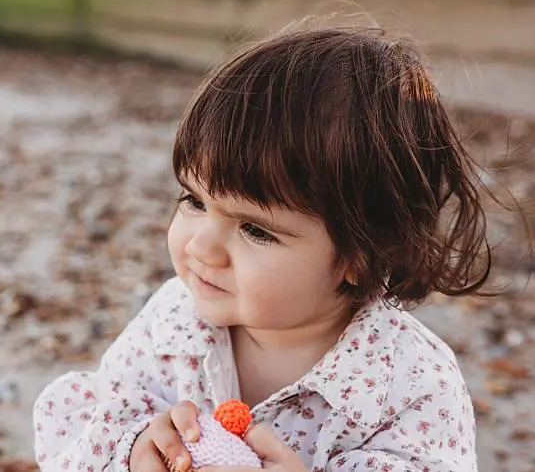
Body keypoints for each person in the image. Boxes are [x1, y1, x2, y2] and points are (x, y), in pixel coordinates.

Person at [33, 27, 500, 471]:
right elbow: (85, 421)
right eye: (194, 201)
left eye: (255, 230)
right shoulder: (174, 321)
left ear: (361, 256)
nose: (202, 247)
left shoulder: (409, 384)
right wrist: (134, 447)